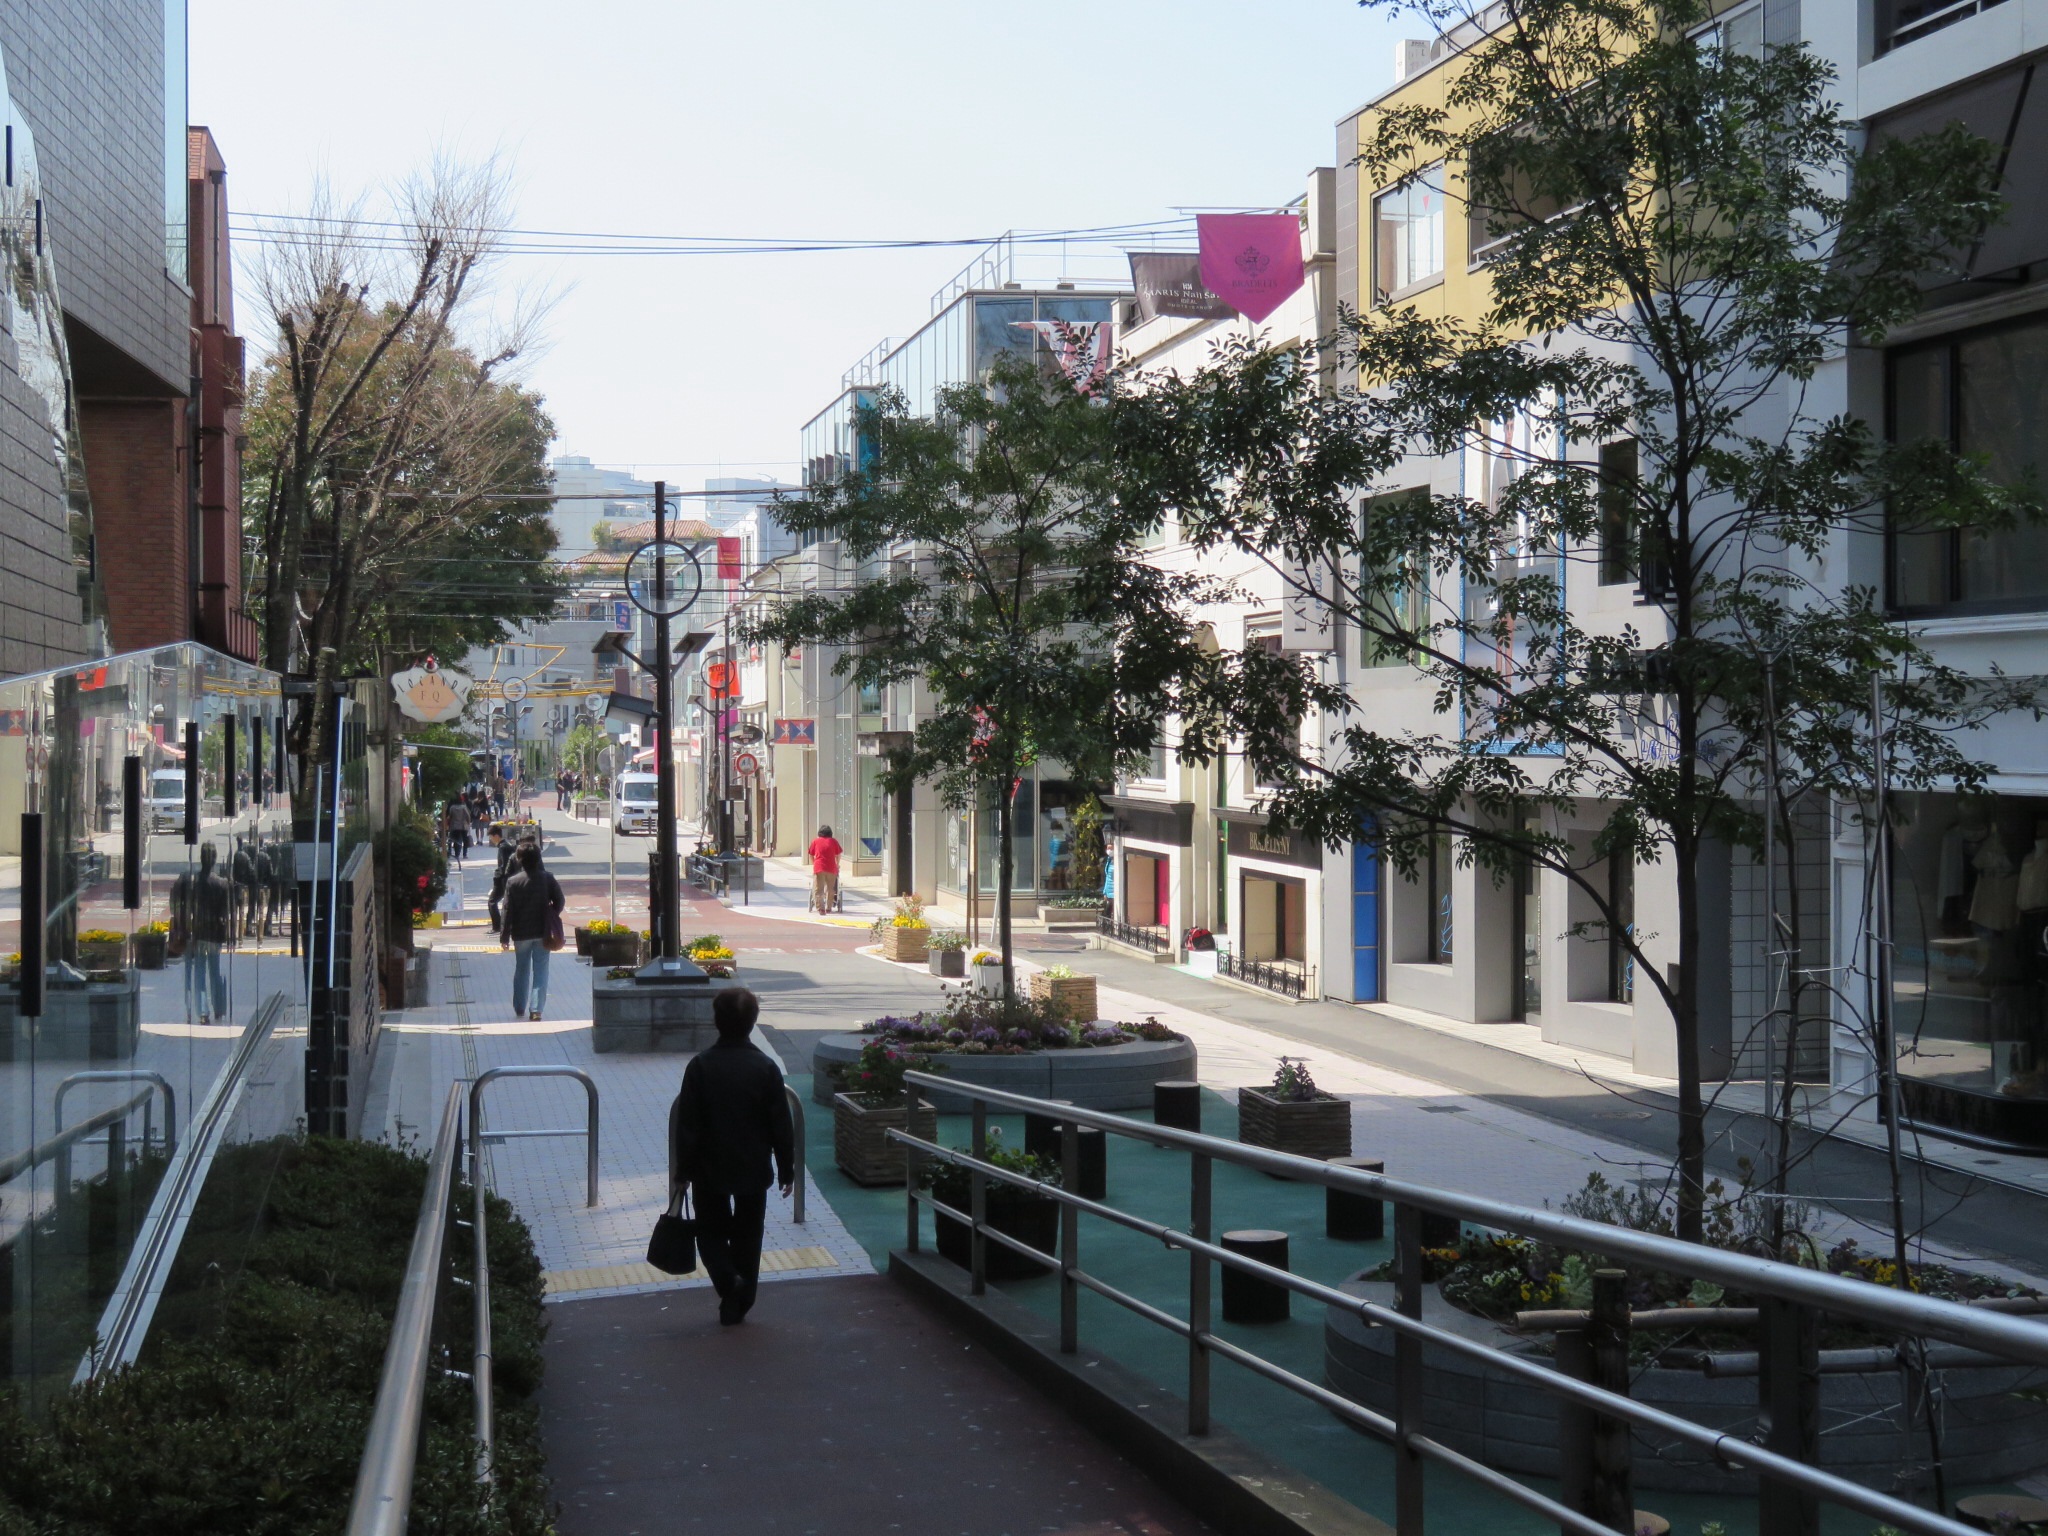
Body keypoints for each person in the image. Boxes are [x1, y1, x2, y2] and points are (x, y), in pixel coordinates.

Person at [668, 988, 794, 1326]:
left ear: (716, 1021)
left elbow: (688, 1124)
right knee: (749, 1233)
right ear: (753, 1022)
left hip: (709, 1166)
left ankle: (726, 1279)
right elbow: (781, 1123)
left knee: (709, 1230)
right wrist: (786, 1167)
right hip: (753, 1165)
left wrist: (683, 1168)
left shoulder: (701, 1066)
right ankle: (739, 1301)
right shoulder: (766, 1068)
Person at [171, 843, 234, 1024]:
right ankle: (219, 1009)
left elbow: (188, 907)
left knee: (199, 972)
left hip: (198, 934)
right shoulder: (222, 884)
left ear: (201, 858)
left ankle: (203, 1012)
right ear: (214, 859)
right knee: (215, 971)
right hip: (215, 934)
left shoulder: (194, 883)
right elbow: (225, 913)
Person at [500, 841, 563, 1021]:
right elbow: (560, 900)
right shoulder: (547, 878)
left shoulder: (513, 882)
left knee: (521, 969)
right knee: (541, 970)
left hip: (520, 933)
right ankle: (536, 1010)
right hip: (543, 932)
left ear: (519, 860)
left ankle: (519, 1007)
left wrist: (504, 936)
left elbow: (507, 910)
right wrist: (552, 913)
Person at [808, 823, 843, 915]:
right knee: (830, 889)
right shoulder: (833, 841)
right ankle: (828, 907)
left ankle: (821, 908)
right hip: (831, 867)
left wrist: (814, 863)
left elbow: (811, 854)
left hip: (819, 867)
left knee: (818, 889)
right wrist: (837, 864)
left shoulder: (815, 841)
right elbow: (838, 854)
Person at [485, 824, 514, 933]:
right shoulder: (507, 845)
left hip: (502, 880)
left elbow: (504, 866)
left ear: (496, 835)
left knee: (492, 902)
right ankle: (504, 926)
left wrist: (498, 875)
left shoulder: (503, 847)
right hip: (507, 879)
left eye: (491, 837)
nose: (491, 839)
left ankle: (497, 926)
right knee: (506, 903)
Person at [447, 796, 471, 866]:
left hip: (454, 826)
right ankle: (464, 854)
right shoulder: (464, 807)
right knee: (465, 840)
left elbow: (450, 816)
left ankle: (456, 853)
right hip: (463, 826)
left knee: (454, 839)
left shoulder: (452, 807)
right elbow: (468, 816)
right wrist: (468, 823)